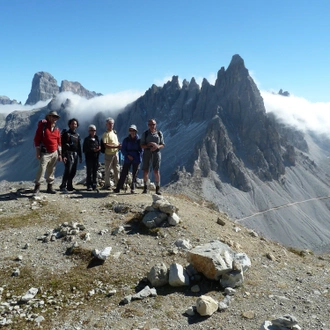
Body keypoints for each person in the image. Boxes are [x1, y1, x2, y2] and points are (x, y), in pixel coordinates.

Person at [33, 110, 62, 194]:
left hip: (54, 152)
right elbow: (37, 140)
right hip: (45, 152)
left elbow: (59, 142)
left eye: (56, 117)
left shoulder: (57, 129)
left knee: (52, 169)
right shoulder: (43, 127)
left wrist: (59, 154)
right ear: (49, 117)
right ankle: (37, 186)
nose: (55, 118)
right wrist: (37, 152)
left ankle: (50, 187)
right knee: (42, 169)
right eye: (53, 116)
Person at [113, 124, 142, 194]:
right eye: (131, 130)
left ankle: (133, 188)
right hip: (128, 158)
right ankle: (118, 188)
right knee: (123, 173)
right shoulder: (126, 140)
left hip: (136, 158)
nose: (132, 132)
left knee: (135, 174)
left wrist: (138, 157)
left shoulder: (139, 140)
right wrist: (128, 155)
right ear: (129, 131)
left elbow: (141, 150)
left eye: (133, 131)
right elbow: (123, 149)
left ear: (136, 131)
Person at [140, 118, 165, 195]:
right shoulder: (145, 133)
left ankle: (157, 189)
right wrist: (149, 144)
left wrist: (157, 146)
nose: (152, 126)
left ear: (155, 125)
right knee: (146, 170)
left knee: (156, 170)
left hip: (156, 153)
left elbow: (163, 145)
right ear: (148, 125)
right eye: (150, 124)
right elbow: (141, 145)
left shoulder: (159, 133)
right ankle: (145, 188)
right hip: (147, 153)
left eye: (153, 124)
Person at [59, 118, 82, 192]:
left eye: (75, 124)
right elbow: (62, 145)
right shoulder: (66, 134)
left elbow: (79, 146)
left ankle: (69, 185)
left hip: (75, 154)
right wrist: (63, 155)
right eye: (72, 123)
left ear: (77, 125)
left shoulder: (77, 135)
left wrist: (80, 156)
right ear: (69, 125)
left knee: (73, 171)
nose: (74, 125)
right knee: (68, 169)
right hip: (68, 153)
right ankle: (63, 185)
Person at [101, 117, 121, 189]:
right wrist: (116, 146)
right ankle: (107, 184)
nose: (111, 125)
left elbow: (116, 142)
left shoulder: (114, 133)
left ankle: (118, 184)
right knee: (108, 169)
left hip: (116, 154)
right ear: (106, 124)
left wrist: (118, 145)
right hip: (108, 154)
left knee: (116, 169)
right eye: (109, 124)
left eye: (112, 124)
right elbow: (106, 145)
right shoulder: (106, 134)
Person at [83, 124, 101, 191]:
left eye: (94, 130)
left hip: (96, 158)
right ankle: (89, 185)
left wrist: (99, 148)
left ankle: (94, 184)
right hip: (89, 158)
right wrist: (92, 150)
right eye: (91, 130)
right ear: (89, 131)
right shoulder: (86, 139)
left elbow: (99, 146)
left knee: (95, 171)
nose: (93, 132)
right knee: (89, 172)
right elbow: (84, 149)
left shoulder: (97, 138)